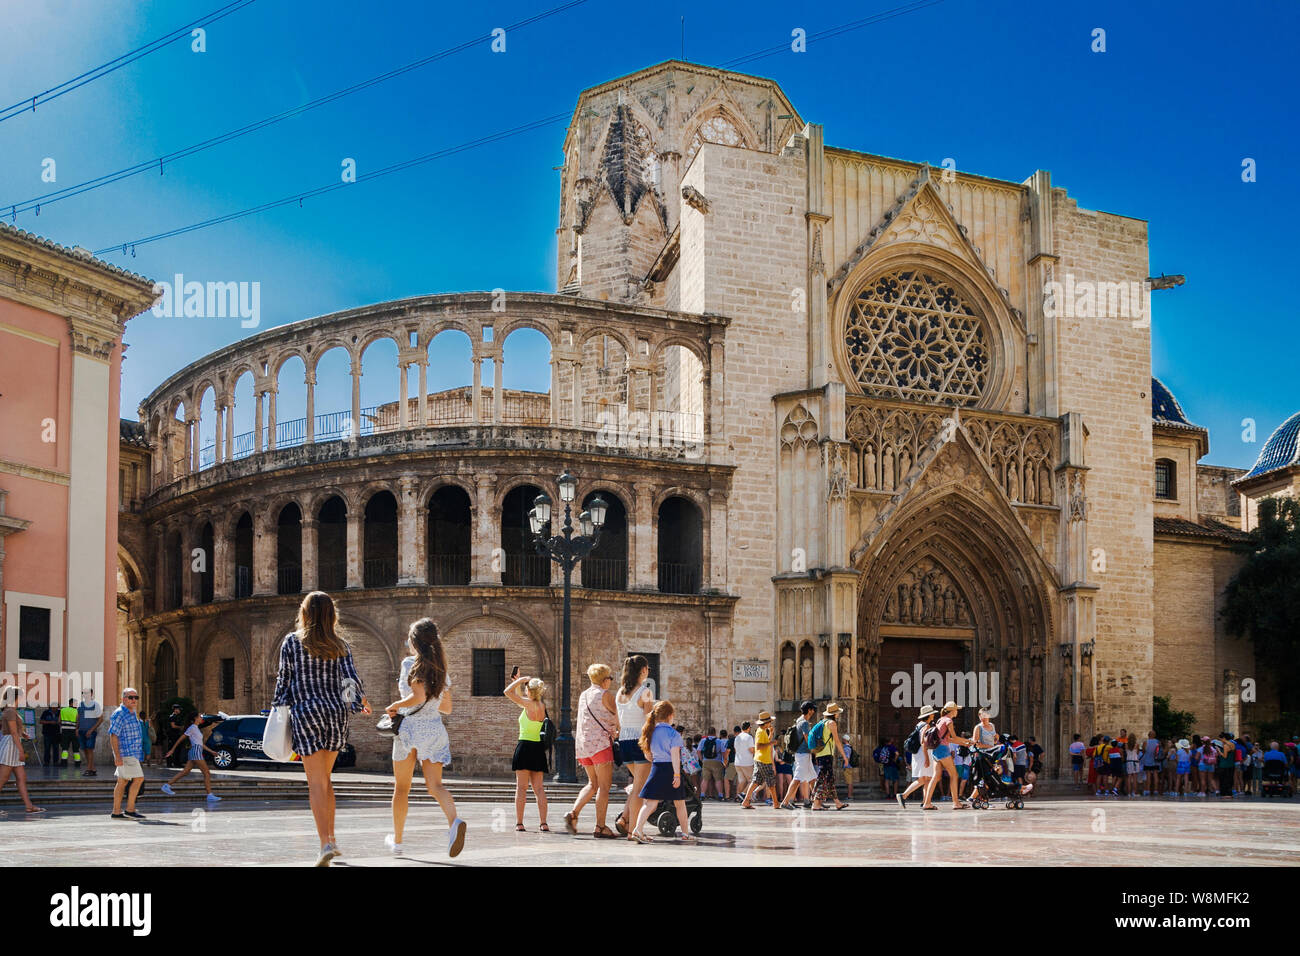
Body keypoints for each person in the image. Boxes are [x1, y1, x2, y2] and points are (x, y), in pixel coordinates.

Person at [271, 591, 372, 866]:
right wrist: (356, 705)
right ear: (331, 615)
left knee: (315, 782)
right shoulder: (340, 644)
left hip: (307, 713)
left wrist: (277, 708)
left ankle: (324, 844)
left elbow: (284, 679)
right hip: (336, 715)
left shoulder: (292, 642)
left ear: (305, 613)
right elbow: (350, 679)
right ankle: (333, 839)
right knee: (326, 781)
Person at [385, 618, 466, 858]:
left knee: (401, 788)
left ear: (414, 641)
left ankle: (398, 842)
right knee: (436, 786)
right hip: (434, 730)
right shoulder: (441, 669)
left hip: (410, 730)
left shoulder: (410, 663)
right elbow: (447, 708)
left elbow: (417, 696)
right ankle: (455, 821)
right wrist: (433, 700)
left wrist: (395, 705)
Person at [565, 662, 619, 839]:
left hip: (583, 746)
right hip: (600, 746)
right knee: (604, 787)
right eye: (610, 678)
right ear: (604, 680)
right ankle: (600, 826)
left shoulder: (584, 695)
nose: (611, 681)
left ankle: (573, 814)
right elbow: (619, 719)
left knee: (592, 784)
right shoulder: (606, 695)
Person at [630, 700, 696, 844]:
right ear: (670, 716)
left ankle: (638, 829)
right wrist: (677, 775)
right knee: (680, 804)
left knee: (649, 804)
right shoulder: (674, 734)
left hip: (657, 768)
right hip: (670, 770)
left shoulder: (650, 731)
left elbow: (648, 755)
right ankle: (685, 833)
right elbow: (675, 756)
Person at [613, 655, 655, 836]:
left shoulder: (620, 693)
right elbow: (648, 722)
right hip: (639, 742)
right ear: (643, 670)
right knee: (639, 788)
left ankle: (625, 818)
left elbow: (618, 722)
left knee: (638, 783)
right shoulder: (645, 692)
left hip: (624, 743)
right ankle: (634, 831)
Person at [505, 673, 549, 832]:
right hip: (537, 749)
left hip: (524, 747)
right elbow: (518, 699)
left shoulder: (527, 704)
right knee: (539, 789)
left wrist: (522, 680)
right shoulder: (541, 706)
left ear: (529, 691)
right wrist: (518, 683)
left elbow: (507, 693)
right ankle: (543, 823)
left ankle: (519, 823)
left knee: (521, 788)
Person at [0, 686, 43, 815]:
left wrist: (23, 734)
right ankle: (29, 805)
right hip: (11, 745)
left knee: (21, 778)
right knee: (3, 778)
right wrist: (20, 751)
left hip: (14, 743)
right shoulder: (10, 711)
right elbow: (12, 732)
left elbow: (15, 730)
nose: (23, 698)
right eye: (21, 696)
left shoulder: (12, 710)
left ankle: (29, 806)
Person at [161, 710, 221, 801]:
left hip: (195, 750)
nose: (201, 718)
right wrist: (172, 749)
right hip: (196, 751)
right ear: (195, 718)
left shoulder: (195, 728)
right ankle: (209, 795)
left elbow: (201, 743)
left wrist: (211, 751)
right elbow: (181, 738)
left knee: (185, 772)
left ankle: (167, 785)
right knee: (207, 773)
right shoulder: (192, 728)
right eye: (200, 716)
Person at [922, 701, 971, 810]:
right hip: (943, 750)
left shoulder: (940, 719)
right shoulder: (948, 721)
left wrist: (965, 743)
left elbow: (948, 739)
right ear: (952, 711)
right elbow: (953, 737)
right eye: (956, 709)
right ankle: (956, 803)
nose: (957, 711)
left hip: (936, 750)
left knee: (936, 776)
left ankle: (927, 803)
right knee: (954, 775)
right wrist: (967, 741)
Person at [109, 687, 146, 820]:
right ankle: (128, 809)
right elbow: (113, 735)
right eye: (131, 697)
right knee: (138, 779)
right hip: (126, 753)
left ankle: (118, 811)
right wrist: (117, 756)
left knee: (123, 781)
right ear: (124, 699)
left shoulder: (132, 712)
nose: (134, 700)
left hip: (133, 753)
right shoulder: (119, 713)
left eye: (136, 698)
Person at [811, 702, 850, 811]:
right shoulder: (832, 723)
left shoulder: (822, 722)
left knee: (829, 779)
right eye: (837, 713)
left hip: (820, 754)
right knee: (823, 779)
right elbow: (837, 741)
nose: (838, 715)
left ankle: (837, 803)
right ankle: (816, 804)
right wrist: (845, 757)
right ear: (834, 714)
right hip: (826, 754)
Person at [779, 700, 818, 810]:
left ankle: (817, 801)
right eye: (813, 709)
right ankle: (785, 802)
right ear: (809, 710)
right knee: (797, 779)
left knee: (812, 778)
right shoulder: (804, 723)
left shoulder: (799, 720)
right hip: (803, 754)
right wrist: (814, 749)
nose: (814, 711)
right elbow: (807, 738)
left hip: (802, 754)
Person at [898, 705, 937, 807]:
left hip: (918, 754)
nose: (933, 714)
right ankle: (904, 795)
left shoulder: (919, 724)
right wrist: (927, 759)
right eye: (932, 713)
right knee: (924, 779)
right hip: (923, 754)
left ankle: (926, 802)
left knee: (927, 779)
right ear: (929, 715)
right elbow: (923, 743)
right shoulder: (926, 726)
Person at [741, 712, 779, 810]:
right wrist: (772, 742)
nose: (771, 723)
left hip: (759, 759)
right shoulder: (761, 732)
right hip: (764, 760)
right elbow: (758, 746)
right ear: (766, 722)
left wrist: (771, 734)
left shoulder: (762, 731)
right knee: (771, 782)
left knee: (755, 782)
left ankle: (746, 801)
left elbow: (765, 743)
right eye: (770, 721)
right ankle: (776, 803)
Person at [77, 689, 105, 777]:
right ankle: (92, 768)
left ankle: (88, 769)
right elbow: (78, 716)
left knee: (89, 749)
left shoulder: (95, 705)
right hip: (81, 730)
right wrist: (76, 728)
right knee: (85, 749)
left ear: (91, 694)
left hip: (90, 732)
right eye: (84, 693)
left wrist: (91, 730)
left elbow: (100, 719)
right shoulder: (80, 704)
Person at [698, 726, 723, 799]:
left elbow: (698, 751)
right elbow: (723, 752)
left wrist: (702, 759)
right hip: (717, 761)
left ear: (708, 732)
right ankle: (720, 795)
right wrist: (724, 761)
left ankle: (702, 795)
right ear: (715, 733)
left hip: (706, 761)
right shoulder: (719, 741)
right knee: (718, 779)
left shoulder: (703, 741)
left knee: (705, 779)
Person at [733, 720, 756, 798]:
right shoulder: (749, 737)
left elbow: (735, 749)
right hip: (747, 762)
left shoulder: (737, 737)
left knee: (742, 781)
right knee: (753, 780)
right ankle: (743, 794)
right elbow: (751, 750)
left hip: (738, 762)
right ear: (749, 728)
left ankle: (738, 796)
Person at [1215, 732, 1236, 799]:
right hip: (1231, 764)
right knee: (1230, 779)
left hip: (1224, 765)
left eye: (1220, 739)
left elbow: (1225, 756)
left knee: (1224, 780)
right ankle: (1230, 793)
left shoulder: (1225, 745)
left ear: (1224, 738)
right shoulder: (1232, 744)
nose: (1220, 740)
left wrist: (1219, 751)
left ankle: (1226, 794)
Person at [59, 697, 79, 768]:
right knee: (76, 748)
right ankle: (77, 763)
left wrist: (64, 726)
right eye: (76, 703)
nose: (76, 705)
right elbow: (77, 722)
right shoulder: (76, 711)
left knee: (64, 748)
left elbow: (59, 721)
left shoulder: (63, 710)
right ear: (71, 703)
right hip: (73, 731)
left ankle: (64, 763)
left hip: (64, 731)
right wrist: (76, 729)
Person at [39, 701, 60, 767]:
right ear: (50, 707)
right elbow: (41, 721)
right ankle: (46, 762)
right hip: (47, 733)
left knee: (56, 748)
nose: (55, 708)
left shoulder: (60, 712)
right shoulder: (46, 712)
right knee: (47, 748)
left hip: (56, 733)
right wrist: (50, 722)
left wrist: (58, 723)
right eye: (53, 707)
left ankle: (56, 762)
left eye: (56, 707)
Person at [724, 725, 741, 800]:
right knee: (738, 780)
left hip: (733, 761)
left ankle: (727, 796)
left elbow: (727, 752)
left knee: (726, 778)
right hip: (742, 762)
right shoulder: (744, 739)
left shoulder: (732, 740)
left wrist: (725, 762)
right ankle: (737, 796)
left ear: (734, 732)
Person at [1141, 731, 1161, 795]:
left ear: (1148, 735)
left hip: (1147, 761)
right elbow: (1159, 751)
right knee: (1155, 776)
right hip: (1155, 761)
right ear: (1154, 735)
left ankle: (1147, 790)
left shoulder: (1145, 742)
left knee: (1148, 776)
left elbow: (1143, 751)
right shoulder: (1158, 742)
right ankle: (1156, 790)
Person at [717, 728, 732, 800]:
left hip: (720, 761)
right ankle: (729, 794)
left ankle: (721, 794)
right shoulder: (729, 741)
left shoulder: (718, 741)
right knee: (728, 779)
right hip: (728, 761)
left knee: (721, 779)